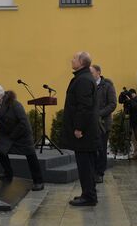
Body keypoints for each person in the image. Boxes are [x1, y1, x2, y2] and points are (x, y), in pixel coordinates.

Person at [62, 51, 99, 206]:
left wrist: (78, 127)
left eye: (74, 58)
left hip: (84, 132)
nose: (72, 59)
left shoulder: (83, 80)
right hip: (86, 131)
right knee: (85, 164)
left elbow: (84, 107)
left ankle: (89, 197)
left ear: (82, 62)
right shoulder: (82, 78)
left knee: (85, 165)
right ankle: (88, 193)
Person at [90, 64, 117, 183]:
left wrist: (99, 114)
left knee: (101, 148)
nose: (89, 75)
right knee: (92, 148)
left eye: (92, 72)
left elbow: (112, 104)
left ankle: (100, 172)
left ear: (98, 73)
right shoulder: (88, 85)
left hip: (103, 123)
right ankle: (93, 171)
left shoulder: (107, 86)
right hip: (90, 123)